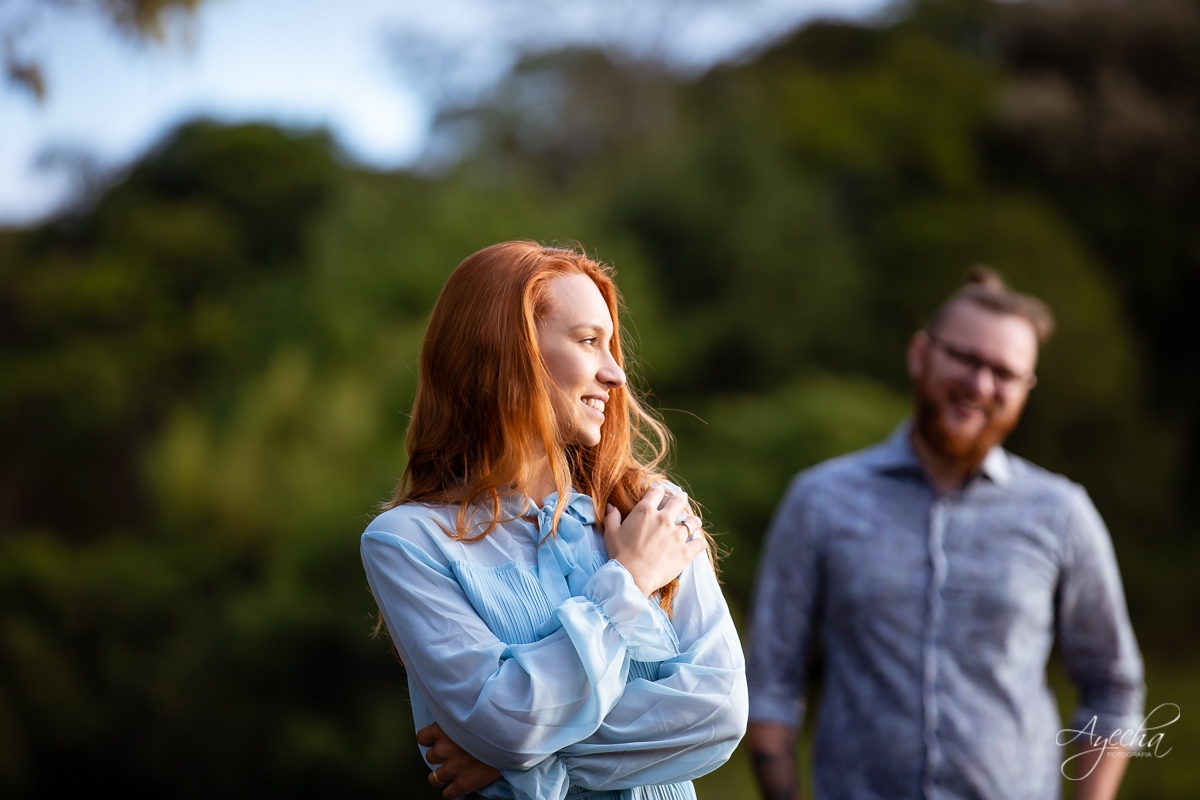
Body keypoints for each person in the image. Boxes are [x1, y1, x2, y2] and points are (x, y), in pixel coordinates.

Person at [360, 241, 747, 800]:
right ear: (506, 352)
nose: (615, 374)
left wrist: (514, 764)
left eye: (611, 346)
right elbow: (509, 722)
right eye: (589, 342)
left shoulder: (653, 511)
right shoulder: (409, 543)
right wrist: (628, 580)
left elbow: (718, 712)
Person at [745, 269, 1145, 800]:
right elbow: (769, 683)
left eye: (1004, 373)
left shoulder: (1062, 513)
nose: (980, 385)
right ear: (920, 354)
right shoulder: (819, 502)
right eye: (966, 358)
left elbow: (1112, 685)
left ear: (1026, 389)